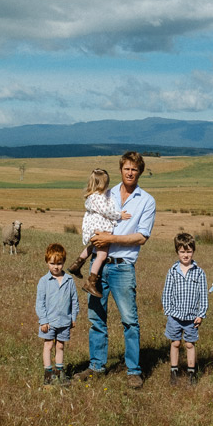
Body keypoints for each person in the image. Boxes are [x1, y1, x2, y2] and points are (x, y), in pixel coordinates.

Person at [74, 151, 156, 389]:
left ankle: (133, 370)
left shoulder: (146, 200)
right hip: (97, 266)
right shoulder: (106, 191)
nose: (130, 172)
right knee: (96, 318)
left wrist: (111, 237)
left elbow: (141, 237)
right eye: (126, 168)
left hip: (122, 268)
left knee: (130, 321)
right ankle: (97, 366)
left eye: (134, 169)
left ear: (140, 172)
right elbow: (91, 212)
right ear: (121, 170)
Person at [67, 168, 130, 298]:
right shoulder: (99, 198)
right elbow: (106, 211)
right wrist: (119, 215)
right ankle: (91, 282)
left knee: (92, 247)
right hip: (100, 229)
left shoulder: (91, 197)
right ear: (103, 184)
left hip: (92, 229)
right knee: (102, 255)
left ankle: (77, 264)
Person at [161, 232, 208, 386]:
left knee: (189, 344)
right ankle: (173, 371)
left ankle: (191, 372)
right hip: (174, 316)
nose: (185, 255)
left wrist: (201, 314)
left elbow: (203, 295)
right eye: (182, 251)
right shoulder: (172, 271)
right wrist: (168, 310)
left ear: (193, 251)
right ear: (177, 252)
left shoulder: (199, 272)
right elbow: (167, 292)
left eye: (188, 251)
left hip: (191, 317)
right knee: (175, 343)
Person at [35, 243, 79, 386]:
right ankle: (48, 375)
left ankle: (60, 373)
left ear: (63, 262)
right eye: (52, 263)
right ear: (47, 262)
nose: (56, 267)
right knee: (48, 345)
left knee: (60, 346)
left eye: (59, 263)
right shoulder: (43, 281)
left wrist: (73, 317)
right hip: (49, 322)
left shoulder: (69, 280)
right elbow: (40, 302)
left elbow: (74, 300)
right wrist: (43, 321)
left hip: (64, 321)